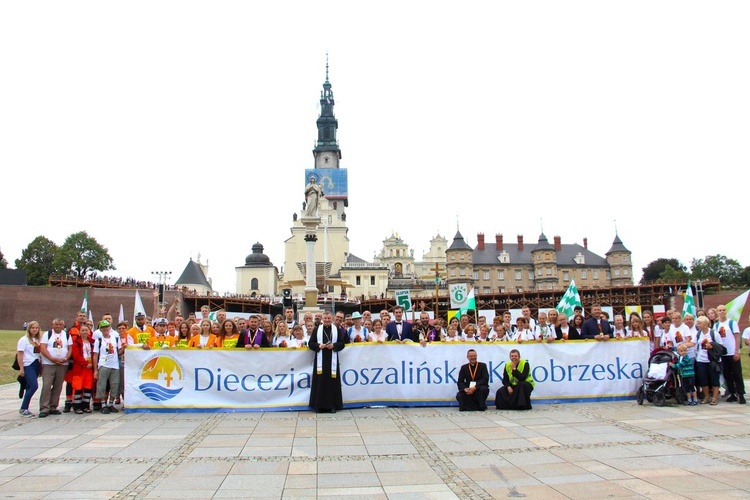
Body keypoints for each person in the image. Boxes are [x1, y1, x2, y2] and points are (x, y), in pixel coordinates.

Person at [308, 312, 346, 413]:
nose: (327, 320)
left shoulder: (336, 329)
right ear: (322, 319)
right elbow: (310, 343)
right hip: (320, 360)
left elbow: (342, 343)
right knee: (320, 383)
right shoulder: (317, 329)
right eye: (325, 318)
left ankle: (332, 406)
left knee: (332, 383)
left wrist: (334, 346)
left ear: (332, 318)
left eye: (329, 318)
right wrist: (318, 346)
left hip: (332, 360)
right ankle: (319, 406)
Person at [38, 318, 73, 418]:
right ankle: (44, 408)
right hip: (49, 364)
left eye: (60, 325)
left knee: (58, 386)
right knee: (47, 386)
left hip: (62, 365)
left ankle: (53, 406)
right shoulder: (47, 334)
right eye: (56, 324)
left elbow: (70, 348)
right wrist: (51, 358)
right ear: (52, 325)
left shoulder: (66, 335)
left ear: (63, 326)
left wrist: (66, 358)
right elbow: (43, 347)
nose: (58, 326)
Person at [714, 305, 744, 403]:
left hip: (732, 352)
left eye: (723, 310)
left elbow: (737, 337)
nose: (722, 312)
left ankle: (740, 393)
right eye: (720, 310)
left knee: (737, 374)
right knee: (727, 375)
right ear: (717, 312)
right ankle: (732, 393)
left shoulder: (732, 323)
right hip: (723, 354)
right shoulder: (716, 325)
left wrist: (736, 351)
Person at [92, 320, 123, 414]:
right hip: (104, 365)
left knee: (115, 384)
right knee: (102, 385)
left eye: (107, 328)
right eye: (103, 329)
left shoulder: (116, 339)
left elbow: (119, 352)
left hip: (114, 365)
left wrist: (124, 348)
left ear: (110, 328)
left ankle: (110, 403)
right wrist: (95, 370)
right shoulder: (99, 341)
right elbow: (95, 355)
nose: (105, 330)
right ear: (101, 330)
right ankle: (103, 404)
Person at [695, 316, 723, 405]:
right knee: (703, 379)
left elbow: (720, 346)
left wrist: (712, 346)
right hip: (701, 360)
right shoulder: (698, 333)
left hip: (712, 360)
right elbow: (693, 343)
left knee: (714, 379)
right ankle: (706, 396)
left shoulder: (714, 333)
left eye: (699, 323)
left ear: (706, 324)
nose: (697, 325)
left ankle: (714, 398)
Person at [17, 321, 42, 417]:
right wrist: (21, 368)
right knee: (34, 386)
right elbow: (20, 354)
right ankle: (23, 407)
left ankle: (26, 407)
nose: (35, 329)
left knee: (29, 387)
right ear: (29, 329)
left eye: (36, 328)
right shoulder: (24, 340)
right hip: (28, 364)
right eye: (33, 328)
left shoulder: (37, 340)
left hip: (35, 364)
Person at [69, 323, 95, 414]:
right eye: (82, 330)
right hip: (80, 368)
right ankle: (77, 406)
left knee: (88, 387)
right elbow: (76, 355)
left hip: (90, 369)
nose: (84, 332)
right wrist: (85, 363)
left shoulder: (92, 342)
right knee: (78, 387)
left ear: (89, 331)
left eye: (86, 330)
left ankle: (86, 406)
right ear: (79, 331)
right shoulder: (76, 342)